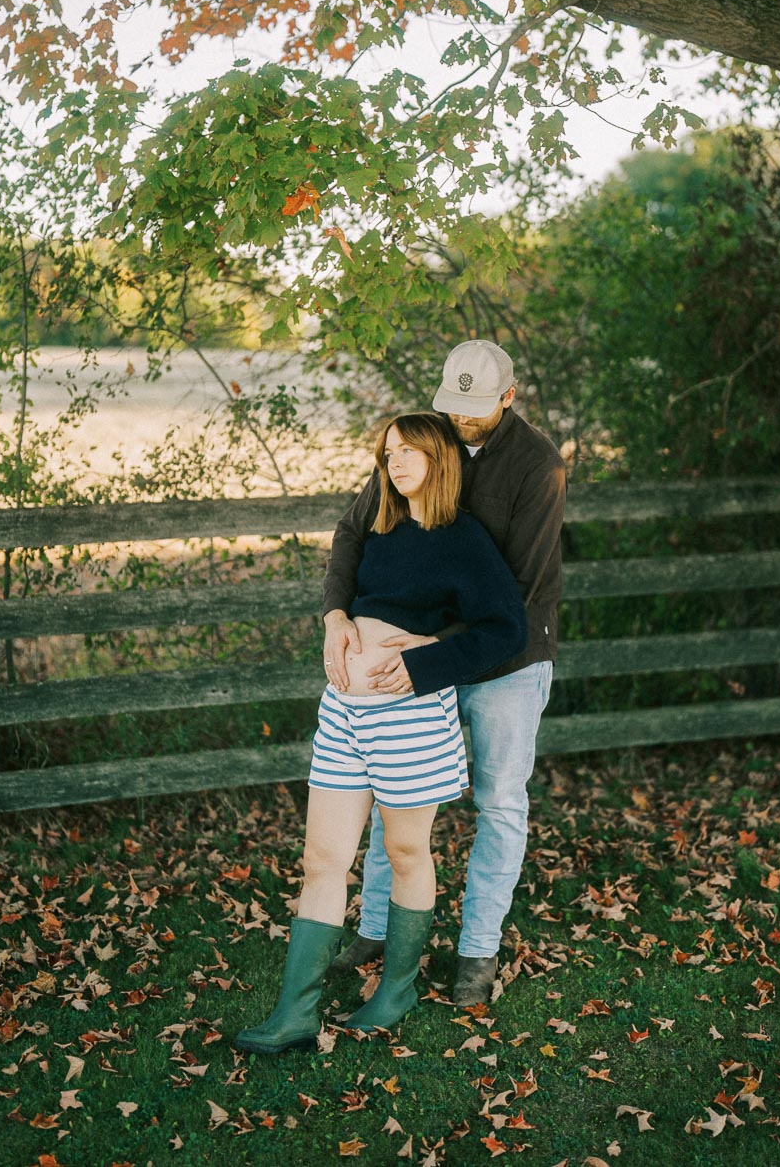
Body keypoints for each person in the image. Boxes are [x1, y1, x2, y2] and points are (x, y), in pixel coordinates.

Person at [233, 412, 526, 1055]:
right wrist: (338, 618)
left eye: (409, 451)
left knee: (405, 853)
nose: (394, 462)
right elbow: (345, 578)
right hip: (343, 710)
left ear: (440, 459)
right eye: (388, 452)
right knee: (322, 859)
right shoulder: (379, 526)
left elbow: (505, 629)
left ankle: (396, 990)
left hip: (409, 716)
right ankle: (295, 1014)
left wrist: (424, 662)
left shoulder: (463, 539)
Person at [323, 340, 566, 1005]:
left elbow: (512, 600)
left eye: (476, 411)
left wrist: (426, 652)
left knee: (499, 802)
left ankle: (476, 952)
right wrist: (337, 616)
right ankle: (378, 927)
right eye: (451, 409)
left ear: (509, 399)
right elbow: (354, 531)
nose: (461, 423)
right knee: (391, 790)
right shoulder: (426, 443)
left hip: (505, 665)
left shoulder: (538, 467)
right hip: (416, 662)